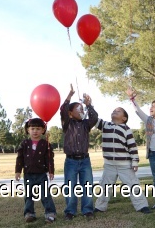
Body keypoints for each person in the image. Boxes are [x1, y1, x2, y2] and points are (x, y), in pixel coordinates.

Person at [93, 107, 152, 214]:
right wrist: (89, 106)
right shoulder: (105, 125)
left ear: (124, 118)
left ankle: (142, 205)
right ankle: (100, 207)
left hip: (125, 165)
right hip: (109, 165)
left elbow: (132, 147)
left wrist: (135, 161)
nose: (114, 111)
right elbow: (94, 119)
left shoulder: (126, 129)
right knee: (105, 185)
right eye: (114, 110)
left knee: (133, 184)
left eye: (118, 111)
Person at [60, 84, 98, 221]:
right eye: (79, 108)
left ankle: (87, 210)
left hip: (85, 160)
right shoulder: (67, 123)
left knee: (87, 185)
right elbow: (63, 109)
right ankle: (70, 211)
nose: (82, 110)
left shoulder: (86, 124)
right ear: (70, 113)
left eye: (83, 109)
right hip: (70, 161)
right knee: (70, 186)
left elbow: (94, 117)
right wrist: (70, 95)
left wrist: (89, 105)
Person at [15, 118, 56, 224]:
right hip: (28, 174)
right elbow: (20, 158)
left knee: (45, 194)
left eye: (38, 129)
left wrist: (51, 171)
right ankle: (29, 214)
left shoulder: (45, 144)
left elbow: (49, 158)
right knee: (28, 195)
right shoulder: (24, 143)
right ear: (28, 130)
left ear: (43, 130)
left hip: (41, 174)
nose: (35, 131)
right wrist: (18, 171)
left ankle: (50, 213)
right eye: (32, 128)